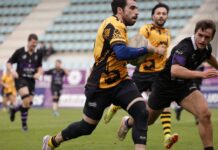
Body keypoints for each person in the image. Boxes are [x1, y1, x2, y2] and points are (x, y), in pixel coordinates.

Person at [42, 0, 165, 150]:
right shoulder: (113, 25)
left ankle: (131, 132)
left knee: (141, 112)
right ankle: (51, 141)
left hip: (121, 81)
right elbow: (121, 53)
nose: (137, 12)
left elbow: (118, 56)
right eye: (132, 8)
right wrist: (146, 49)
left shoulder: (121, 27)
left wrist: (135, 57)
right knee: (86, 127)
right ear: (120, 10)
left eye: (137, 8)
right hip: (100, 85)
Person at [118, 19, 218, 150]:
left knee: (205, 114)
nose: (203, 40)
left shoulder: (205, 47)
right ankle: (128, 122)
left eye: (207, 37)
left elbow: (209, 56)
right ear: (195, 33)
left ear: (211, 38)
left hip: (184, 86)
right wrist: (201, 74)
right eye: (200, 35)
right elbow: (175, 70)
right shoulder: (184, 47)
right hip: (164, 87)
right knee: (149, 121)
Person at [104, 3, 178, 149]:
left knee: (164, 104)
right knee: (127, 97)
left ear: (167, 16)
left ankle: (167, 136)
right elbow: (138, 46)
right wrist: (156, 50)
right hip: (142, 73)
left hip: (159, 74)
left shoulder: (168, 33)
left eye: (164, 13)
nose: (161, 16)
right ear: (153, 16)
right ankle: (115, 107)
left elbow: (164, 55)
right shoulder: (146, 29)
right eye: (158, 13)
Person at [7, 33, 43, 131]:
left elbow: (40, 67)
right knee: (26, 100)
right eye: (32, 44)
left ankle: (14, 110)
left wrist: (39, 73)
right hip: (20, 79)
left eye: (35, 44)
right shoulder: (20, 51)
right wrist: (12, 71)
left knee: (28, 104)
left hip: (31, 80)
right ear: (28, 42)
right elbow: (9, 62)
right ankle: (24, 126)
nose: (33, 46)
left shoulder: (39, 53)